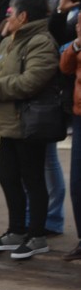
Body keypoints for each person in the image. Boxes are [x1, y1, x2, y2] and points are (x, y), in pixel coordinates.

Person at [0, 0, 59, 259]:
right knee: (7, 175)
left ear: (23, 16)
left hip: (29, 123)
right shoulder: (8, 40)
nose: (7, 18)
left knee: (32, 179)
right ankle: (15, 230)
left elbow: (31, 81)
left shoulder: (41, 42)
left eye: (10, 13)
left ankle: (37, 236)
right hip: (8, 122)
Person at [60, 17, 81, 261]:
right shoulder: (76, 46)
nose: (78, 28)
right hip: (78, 115)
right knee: (77, 183)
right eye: (77, 24)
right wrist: (76, 44)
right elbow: (65, 67)